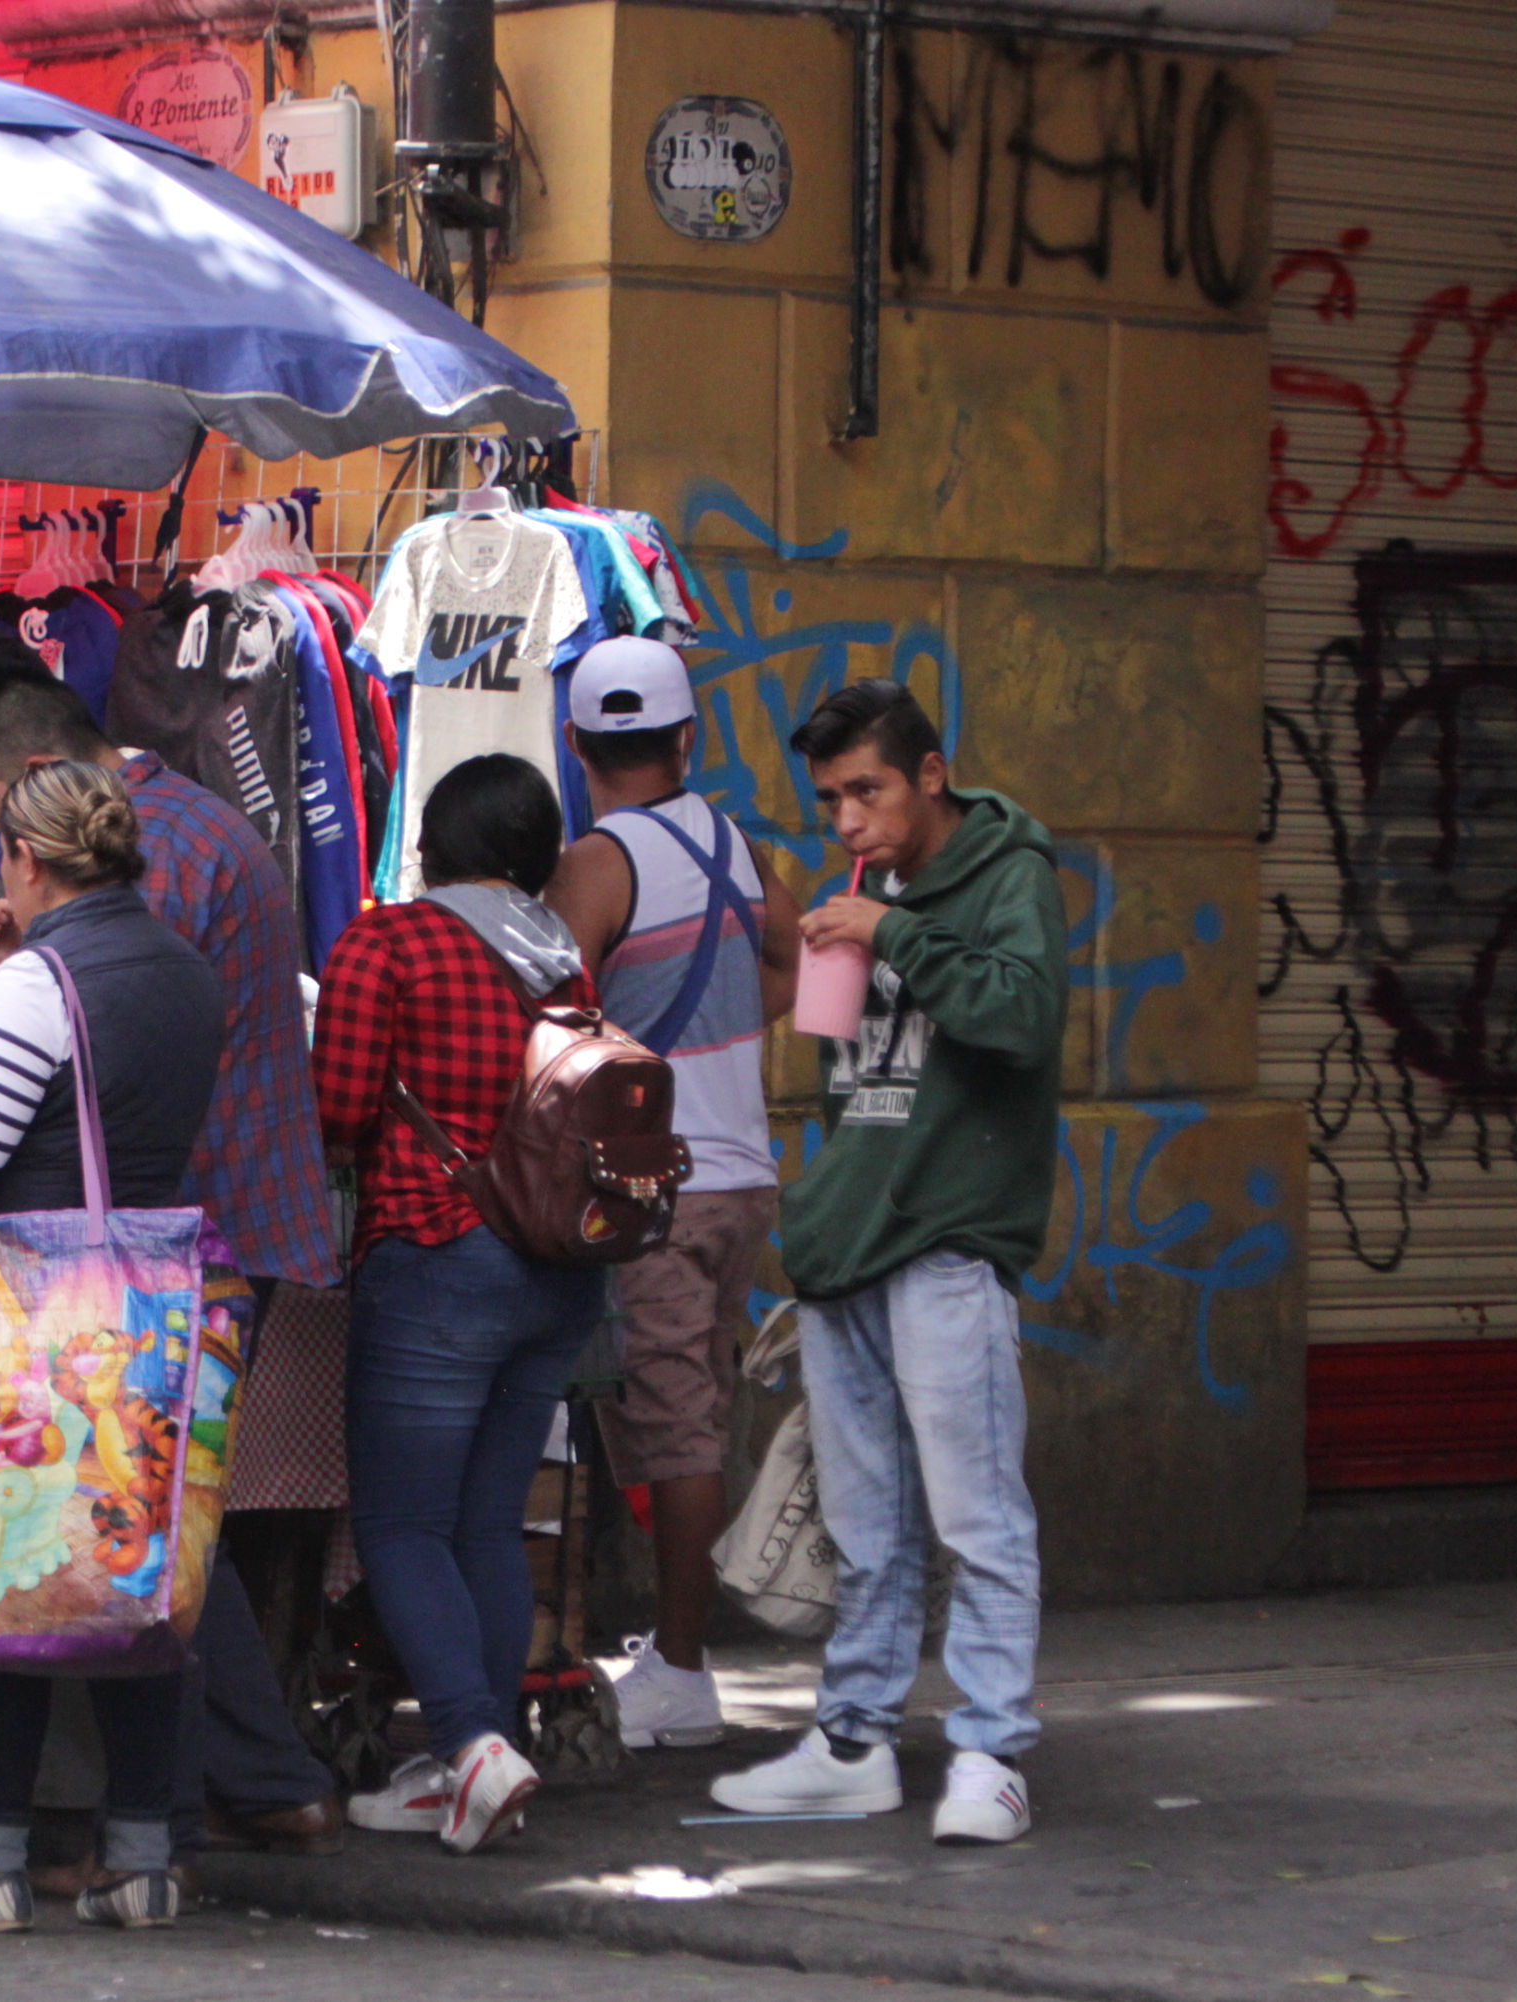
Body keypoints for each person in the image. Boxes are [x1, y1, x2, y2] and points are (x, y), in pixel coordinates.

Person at [0, 647, 348, 1866]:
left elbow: (82, 1071)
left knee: (129, 1529)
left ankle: (243, 1784)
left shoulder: (151, 878)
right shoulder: (200, 830)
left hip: (153, 1253)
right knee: (153, 1517)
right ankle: (174, 1820)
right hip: (201, 1231)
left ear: (45, 794)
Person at [710, 678, 1064, 1845]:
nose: (849, 820)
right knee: (867, 1525)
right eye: (829, 800)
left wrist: (891, 932)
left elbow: (1020, 1018)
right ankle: (854, 1739)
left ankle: (992, 1750)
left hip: (948, 1243)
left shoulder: (1008, 871)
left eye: (867, 790)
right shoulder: (873, 885)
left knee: (978, 1515)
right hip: (849, 1246)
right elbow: (851, 1072)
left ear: (930, 772)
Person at [0, 758, 225, 1934]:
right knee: (132, 1579)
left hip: (30, 1313)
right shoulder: (186, 970)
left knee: (4, 1572)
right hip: (148, 1310)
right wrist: (9, 978)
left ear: (25, 861)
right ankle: (142, 1857)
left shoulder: (41, 979)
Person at [311, 753, 608, 1857]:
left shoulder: (391, 940)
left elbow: (339, 1109)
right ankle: (471, 1766)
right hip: (558, 1274)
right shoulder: (563, 962)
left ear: (429, 844)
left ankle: (471, 1743)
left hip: (437, 1258)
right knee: (486, 1520)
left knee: (400, 1524)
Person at [541, 636, 799, 1749]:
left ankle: (685, 1670)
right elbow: (817, 957)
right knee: (693, 1407)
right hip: (743, 1172)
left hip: (658, 1185)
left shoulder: (595, 862)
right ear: (687, 739)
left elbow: (547, 1007)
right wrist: (741, 1039)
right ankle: (675, 1652)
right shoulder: (735, 842)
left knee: (673, 1425)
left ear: (577, 745)